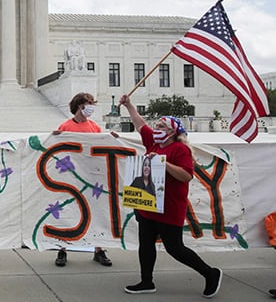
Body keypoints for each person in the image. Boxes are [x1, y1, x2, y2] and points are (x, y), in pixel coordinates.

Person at [119, 94, 222, 298]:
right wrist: (129, 105)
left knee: (175, 248)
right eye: (157, 126)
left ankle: (210, 273)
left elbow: (186, 175)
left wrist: (163, 163)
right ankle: (146, 281)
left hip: (170, 207)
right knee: (145, 245)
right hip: (148, 205)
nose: (157, 129)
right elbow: (140, 125)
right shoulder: (154, 144)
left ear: (173, 132)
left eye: (162, 127)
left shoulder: (180, 149)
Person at [51, 92, 112, 268]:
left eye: (92, 103)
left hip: (91, 175)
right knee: (67, 210)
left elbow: (102, 147)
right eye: (89, 103)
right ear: (79, 105)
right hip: (70, 175)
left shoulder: (94, 127)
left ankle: (99, 250)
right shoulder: (66, 126)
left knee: (96, 212)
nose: (92, 106)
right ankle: (62, 249)